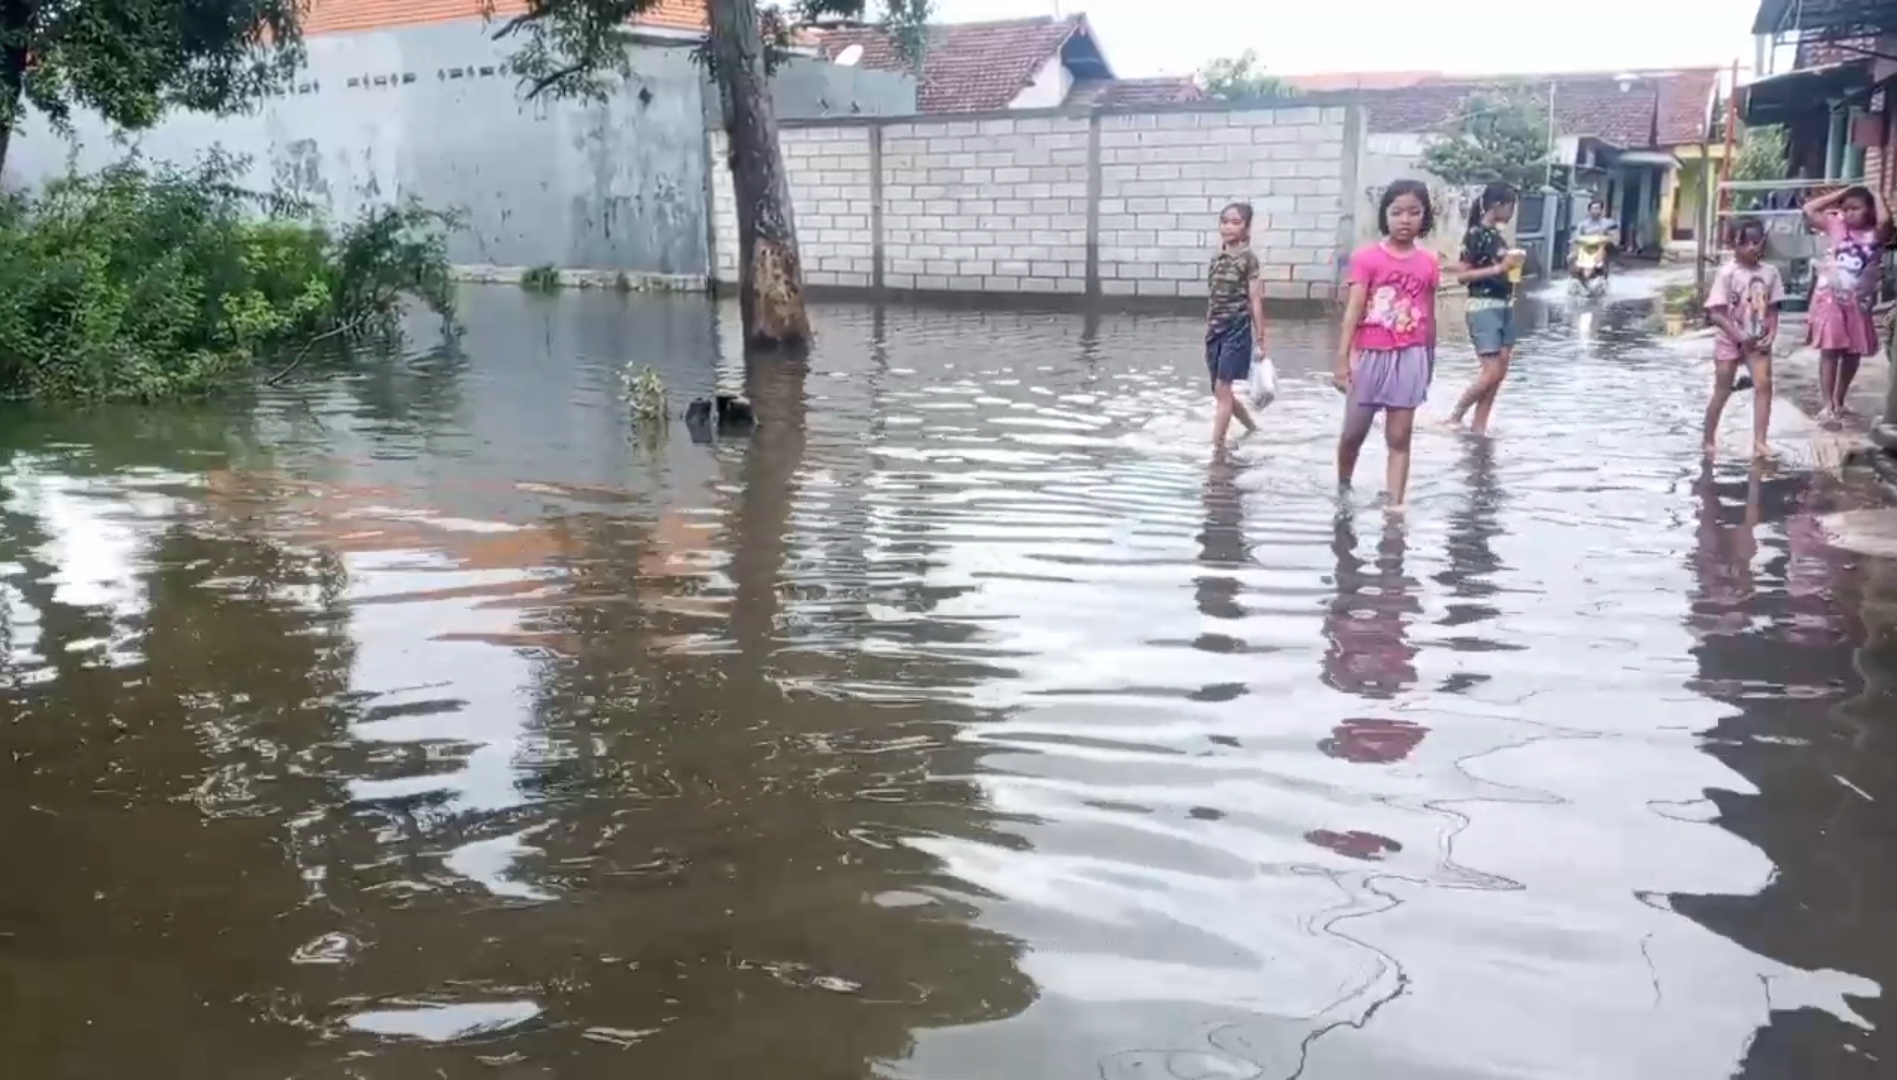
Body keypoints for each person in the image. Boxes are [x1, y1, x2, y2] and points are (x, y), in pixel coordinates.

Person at [1334, 178, 1440, 511]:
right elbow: (1353, 310)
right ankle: (1343, 488)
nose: (1405, 220)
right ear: (1385, 216)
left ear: (1424, 217)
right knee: (1353, 435)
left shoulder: (1428, 264)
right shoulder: (1367, 259)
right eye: (1396, 212)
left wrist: (1429, 361)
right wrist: (1341, 361)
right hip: (1370, 355)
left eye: (1413, 212)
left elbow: (1429, 314)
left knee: (1399, 437)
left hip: (1411, 356)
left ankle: (1395, 507)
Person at [1802, 184, 1891, 421]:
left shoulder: (1876, 234)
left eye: (1856, 208)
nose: (1850, 213)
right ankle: (1827, 404)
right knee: (1830, 350)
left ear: (1870, 211)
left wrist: (1875, 193)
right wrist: (1843, 194)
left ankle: (1840, 399)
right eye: (1846, 208)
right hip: (1829, 297)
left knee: (1853, 353)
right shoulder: (1837, 224)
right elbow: (1809, 208)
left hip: (1858, 302)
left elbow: (1884, 222)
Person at [1702, 217, 1785, 460]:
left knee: (1764, 384)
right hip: (1730, 337)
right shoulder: (1727, 273)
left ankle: (1760, 441)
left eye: (1756, 242)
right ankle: (1708, 438)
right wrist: (1739, 336)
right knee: (1723, 389)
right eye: (1745, 243)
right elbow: (1716, 314)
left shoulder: (1770, 273)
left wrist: (1771, 331)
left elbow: (1773, 308)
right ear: (1733, 245)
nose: (1752, 248)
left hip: (1757, 337)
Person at [1447, 182, 1525, 435]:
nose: (1512, 212)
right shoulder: (1475, 234)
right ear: (1498, 205)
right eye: (1511, 206)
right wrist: (1498, 269)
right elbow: (1463, 276)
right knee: (1490, 372)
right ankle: (1456, 415)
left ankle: (1479, 429)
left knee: (1500, 372)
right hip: (1483, 306)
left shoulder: (1497, 237)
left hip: (1504, 305)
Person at [1204, 201, 1267, 448]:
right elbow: (1213, 297)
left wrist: (1261, 336)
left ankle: (1216, 446)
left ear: (1247, 228)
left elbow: (1254, 298)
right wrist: (1208, 329)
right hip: (1214, 331)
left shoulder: (1248, 259)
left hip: (1236, 330)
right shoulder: (1217, 258)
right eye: (1224, 221)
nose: (1228, 227)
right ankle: (1251, 427)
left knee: (1222, 387)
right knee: (1219, 390)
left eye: (1235, 222)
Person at [1570, 198, 1617, 276]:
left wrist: (1609, 239)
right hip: (1584, 248)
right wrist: (1574, 241)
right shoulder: (1583, 224)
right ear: (1589, 210)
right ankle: (1575, 277)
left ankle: (1602, 277)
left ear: (1601, 210)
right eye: (1593, 208)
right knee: (1571, 258)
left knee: (1603, 260)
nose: (1595, 211)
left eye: (1598, 208)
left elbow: (1613, 235)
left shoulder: (1607, 223)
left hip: (1600, 247)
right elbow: (1577, 235)